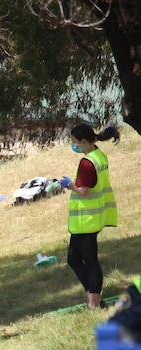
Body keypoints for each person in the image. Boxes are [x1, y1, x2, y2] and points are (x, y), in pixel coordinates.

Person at [59, 124, 119, 309]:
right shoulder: (99, 155)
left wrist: (69, 185)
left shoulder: (87, 163)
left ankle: (94, 303)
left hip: (86, 219)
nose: (74, 146)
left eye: (75, 143)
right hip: (93, 216)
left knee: (89, 260)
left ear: (84, 141)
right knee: (74, 259)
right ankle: (93, 297)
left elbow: (84, 191)